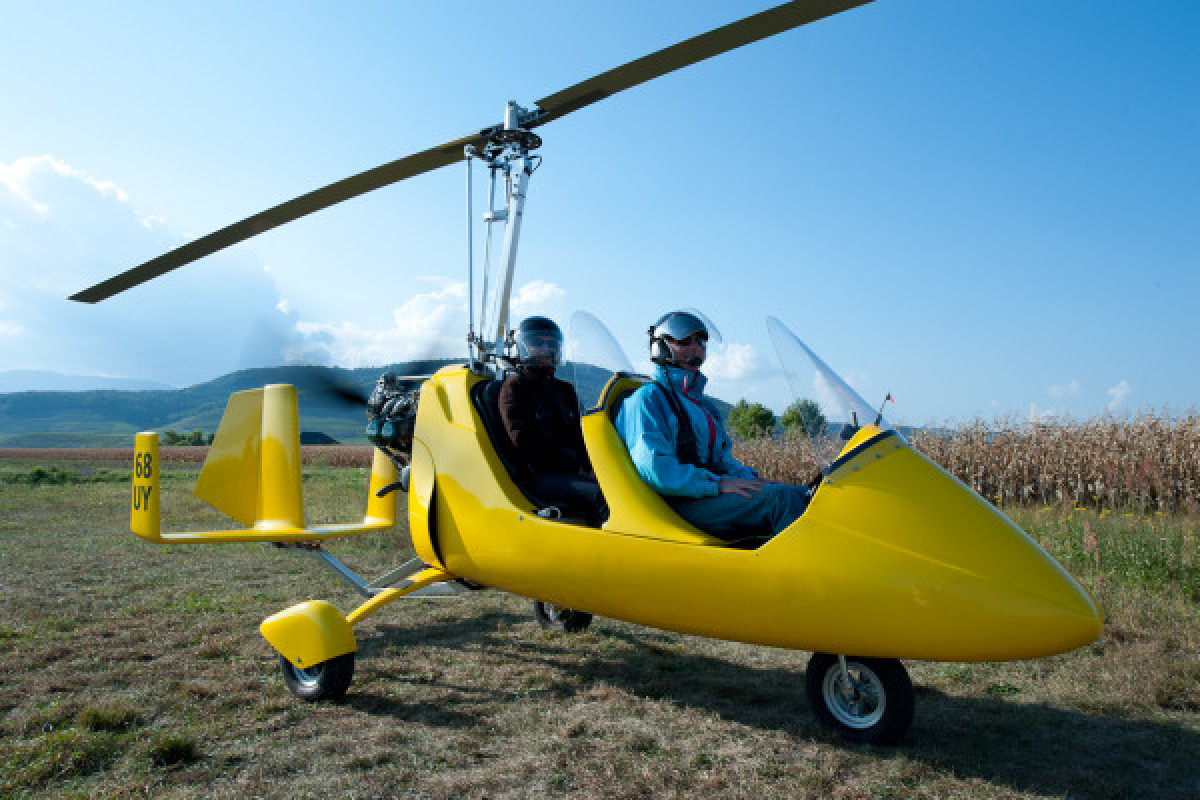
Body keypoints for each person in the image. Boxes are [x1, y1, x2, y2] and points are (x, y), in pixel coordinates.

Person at [616, 310, 810, 541]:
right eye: (685, 340)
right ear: (661, 347)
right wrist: (717, 485)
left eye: (700, 341)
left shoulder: (703, 406)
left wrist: (753, 479)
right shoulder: (647, 399)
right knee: (781, 500)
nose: (695, 347)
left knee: (804, 494)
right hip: (676, 503)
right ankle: (813, 574)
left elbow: (722, 460)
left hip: (704, 495)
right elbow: (657, 469)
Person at [497, 316, 606, 522]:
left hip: (572, 470)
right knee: (605, 495)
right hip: (539, 475)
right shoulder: (515, 388)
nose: (546, 348)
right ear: (522, 346)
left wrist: (595, 464)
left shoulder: (565, 390)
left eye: (552, 343)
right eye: (538, 342)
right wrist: (577, 467)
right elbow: (524, 446)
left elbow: (582, 435)